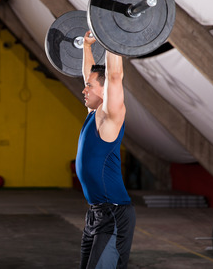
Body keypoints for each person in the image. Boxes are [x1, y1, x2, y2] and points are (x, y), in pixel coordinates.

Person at [75, 30, 136, 269]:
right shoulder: (93, 115)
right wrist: (87, 47)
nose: (84, 89)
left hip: (114, 214)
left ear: (103, 91)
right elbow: (89, 76)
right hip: (96, 214)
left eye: (89, 86)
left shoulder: (110, 117)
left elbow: (114, 76)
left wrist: (110, 36)